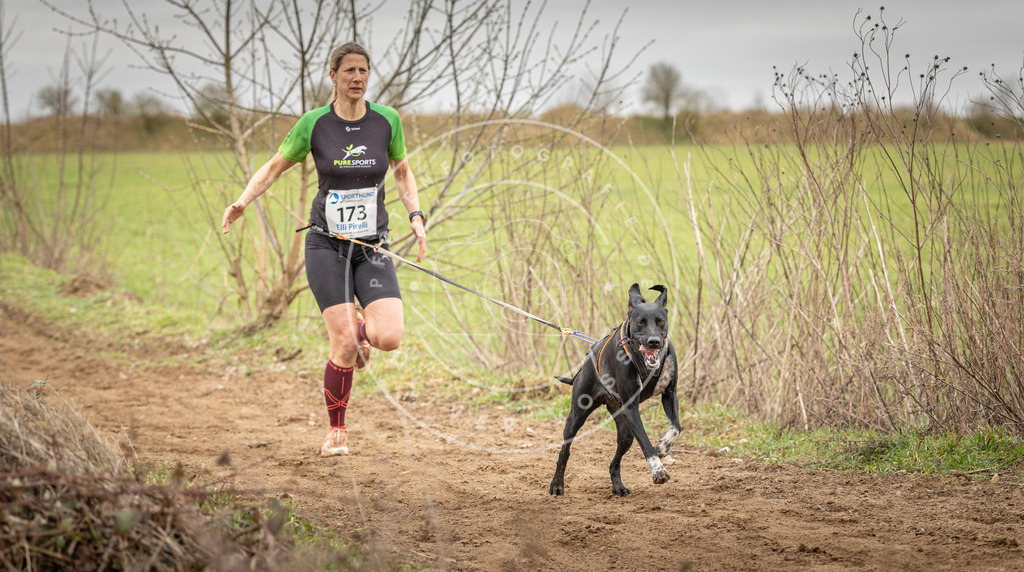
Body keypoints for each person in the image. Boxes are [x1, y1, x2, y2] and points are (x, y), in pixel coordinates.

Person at [221, 42, 427, 457]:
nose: (357, 78)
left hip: (371, 247)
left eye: (363, 71)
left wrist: (416, 216)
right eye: (349, 70)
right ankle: (337, 430)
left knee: (388, 337)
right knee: (344, 341)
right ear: (332, 75)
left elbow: (402, 173)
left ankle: (363, 333)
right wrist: (243, 201)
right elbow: (275, 166)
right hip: (325, 244)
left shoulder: (387, 120)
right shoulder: (314, 123)